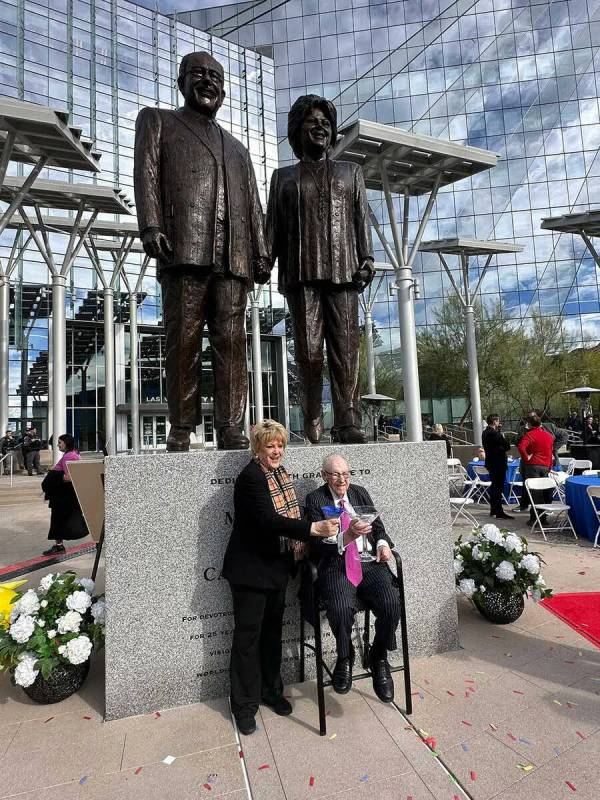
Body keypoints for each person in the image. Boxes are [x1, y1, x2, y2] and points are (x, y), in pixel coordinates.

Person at [134, 51, 270, 453]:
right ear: (181, 81)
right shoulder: (158, 121)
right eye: (199, 74)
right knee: (184, 341)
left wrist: (261, 253)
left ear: (224, 91)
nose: (208, 81)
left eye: (215, 76)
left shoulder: (238, 149)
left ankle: (230, 426)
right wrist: (151, 225)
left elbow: (253, 204)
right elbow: (146, 172)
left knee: (231, 342)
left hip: (233, 258)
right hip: (184, 248)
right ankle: (181, 426)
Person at [266, 95, 374, 444]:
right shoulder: (283, 177)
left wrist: (367, 259)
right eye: (312, 122)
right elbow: (272, 230)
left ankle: (347, 421)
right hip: (301, 275)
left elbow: (361, 221)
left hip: (344, 274)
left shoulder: (350, 172)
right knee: (309, 354)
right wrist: (262, 260)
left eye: (326, 123)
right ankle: (312, 419)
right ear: (297, 131)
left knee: (345, 351)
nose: (320, 127)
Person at [222, 419, 340, 736]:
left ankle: (271, 691)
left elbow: (289, 514)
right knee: (247, 640)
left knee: (272, 634)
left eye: (280, 446)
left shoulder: (280, 474)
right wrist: (312, 529)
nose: (276, 451)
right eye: (270, 445)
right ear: (257, 448)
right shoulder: (250, 478)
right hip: (250, 572)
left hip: (276, 569)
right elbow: (267, 520)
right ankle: (244, 706)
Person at [304, 453, 399, 703]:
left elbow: (379, 527)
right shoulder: (315, 499)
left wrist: (382, 544)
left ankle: (378, 656)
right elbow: (316, 545)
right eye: (335, 474)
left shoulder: (359, 493)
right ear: (324, 476)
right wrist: (347, 536)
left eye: (345, 473)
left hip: (369, 564)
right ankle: (345, 655)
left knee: (392, 604)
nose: (341, 479)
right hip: (337, 566)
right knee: (340, 608)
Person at [41, 434, 88, 556]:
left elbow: (70, 476)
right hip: (62, 495)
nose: (58, 445)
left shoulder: (69, 456)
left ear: (66, 443)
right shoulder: (72, 454)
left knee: (59, 520)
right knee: (59, 520)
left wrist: (54, 476)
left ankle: (59, 546)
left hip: (63, 496)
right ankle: (58, 545)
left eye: (60, 442)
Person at [517, 413, 554, 526]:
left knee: (535, 493)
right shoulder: (548, 435)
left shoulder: (529, 435)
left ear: (529, 424)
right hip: (545, 465)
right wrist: (550, 466)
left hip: (533, 465)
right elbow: (550, 452)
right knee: (545, 491)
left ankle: (535, 518)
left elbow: (521, 447)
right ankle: (543, 517)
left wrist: (527, 458)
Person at [481, 414, 513, 520]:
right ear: (494, 422)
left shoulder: (485, 432)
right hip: (498, 463)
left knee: (494, 486)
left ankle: (493, 509)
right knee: (498, 488)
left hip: (490, 462)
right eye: (498, 421)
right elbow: (507, 446)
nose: (499, 423)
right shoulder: (495, 433)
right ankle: (499, 511)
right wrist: (500, 433)